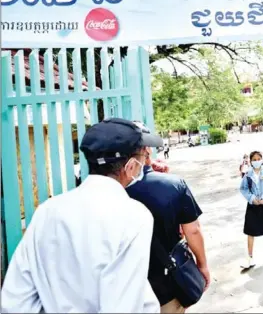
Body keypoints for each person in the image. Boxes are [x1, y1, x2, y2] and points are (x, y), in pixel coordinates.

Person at [1, 118, 162, 313]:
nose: (145, 163)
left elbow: (16, 299)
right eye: (143, 158)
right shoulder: (134, 216)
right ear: (130, 167)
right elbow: (124, 305)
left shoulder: (47, 211)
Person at [127, 143, 210, 313]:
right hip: (167, 283)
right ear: (147, 150)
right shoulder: (173, 184)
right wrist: (202, 265)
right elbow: (192, 230)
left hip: (125, 287)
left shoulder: (111, 193)